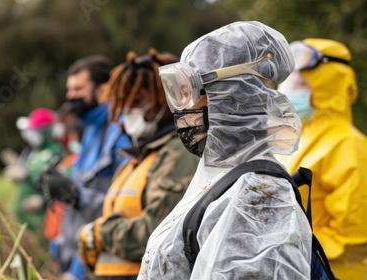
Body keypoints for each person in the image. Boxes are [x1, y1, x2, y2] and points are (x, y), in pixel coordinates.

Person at [138, 21, 312, 279]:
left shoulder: (258, 199)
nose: (182, 109)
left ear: (235, 95)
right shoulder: (220, 179)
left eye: (190, 91)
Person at [76, 49, 199, 280]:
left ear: (165, 99)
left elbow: (159, 231)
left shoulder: (178, 154)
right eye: (126, 103)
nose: (130, 111)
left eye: (138, 101)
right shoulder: (135, 159)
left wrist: (99, 235)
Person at [278, 38, 367, 279]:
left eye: (299, 83)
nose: (286, 90)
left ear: (324, 86)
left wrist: (285, 248)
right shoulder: (298, 139)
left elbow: (353, 236)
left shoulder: (349, 144)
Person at [39, 55, 132, 279]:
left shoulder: (120, 134)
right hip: (80, 259)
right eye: (69, 89)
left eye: (78, 88)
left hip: (107, 264)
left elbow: (127, 208)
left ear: (104, 89)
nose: (70, 96)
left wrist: (77, 196)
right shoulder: (90, 129)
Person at [2, 108, 65, 235]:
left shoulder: (57, 153)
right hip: (23, 220)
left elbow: (59, 185)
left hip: (44, 222)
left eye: (34, 130)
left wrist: (43, 202)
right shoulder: (33, 153)